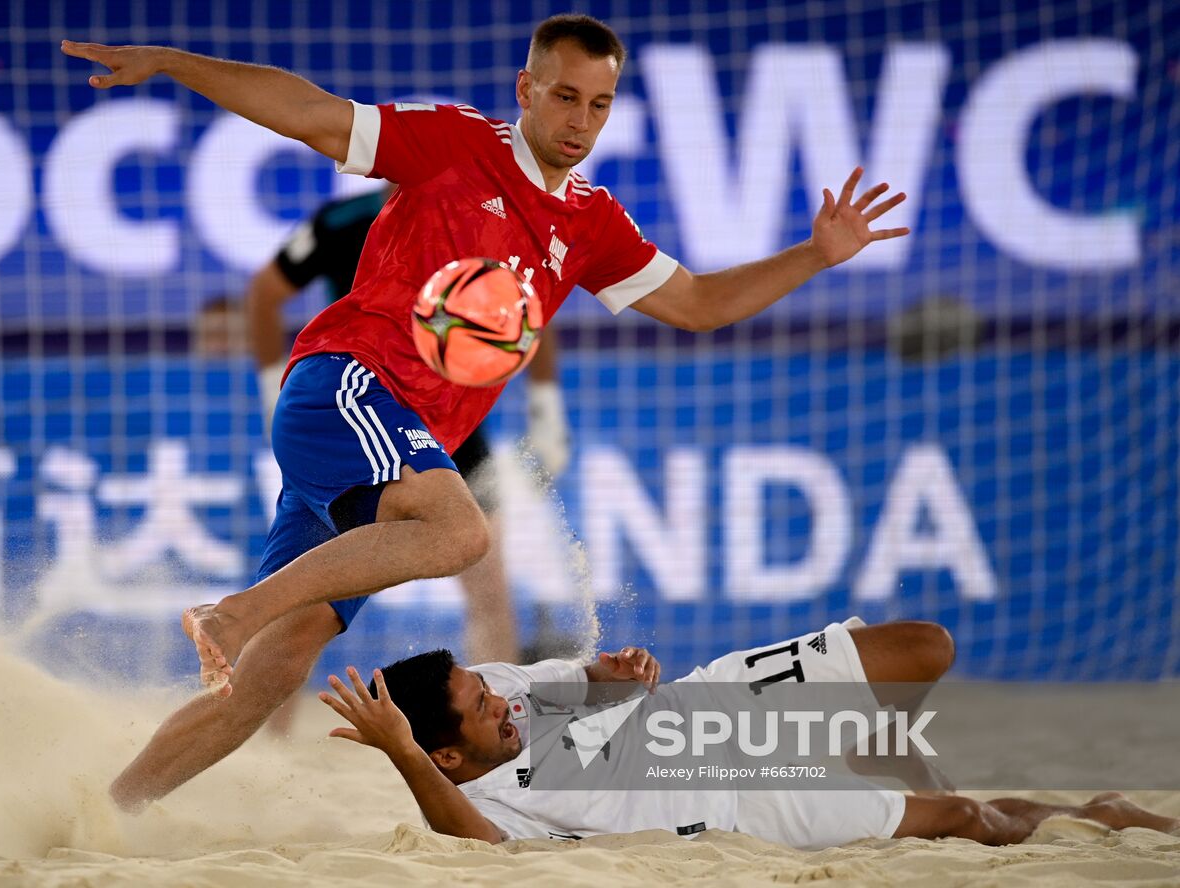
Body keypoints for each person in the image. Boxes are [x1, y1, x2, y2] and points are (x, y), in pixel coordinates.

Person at [61, 13, 911, 810]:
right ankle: (231, 610)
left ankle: (108, 816)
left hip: (394, 428)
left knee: (273, 671)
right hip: (349, 382)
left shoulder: (590, 221)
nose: (582, 120)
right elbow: (311, 115)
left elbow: (697, 305)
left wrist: (814, 254)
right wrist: (173, 63)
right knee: (463, 532)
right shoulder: (457, 143)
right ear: (526, 90)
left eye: (601, 104)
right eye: (566, 95)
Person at [318, 621, 1180, 848]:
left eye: (485, 686)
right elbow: (464, 843)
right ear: (444, 756)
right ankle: (1099, 811)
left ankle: (868, 747)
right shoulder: (486, 805)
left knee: (923, 650)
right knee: (961, 821)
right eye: (482, 711)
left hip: (713, 703)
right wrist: (398, 751)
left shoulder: (496, 692)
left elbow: (590, 680)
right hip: (744, 799)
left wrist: (618, 672)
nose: (499, 699)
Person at [247, 182, 573, 664]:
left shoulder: (478, 221)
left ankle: (499, 727)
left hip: (448, 423)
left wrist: (547, 411)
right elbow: (264, 293)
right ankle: (266, 734)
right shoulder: (341, 222)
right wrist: (273, 385)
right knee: (300, 599)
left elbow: (524, 309)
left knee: (488, 584)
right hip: (359, 412)